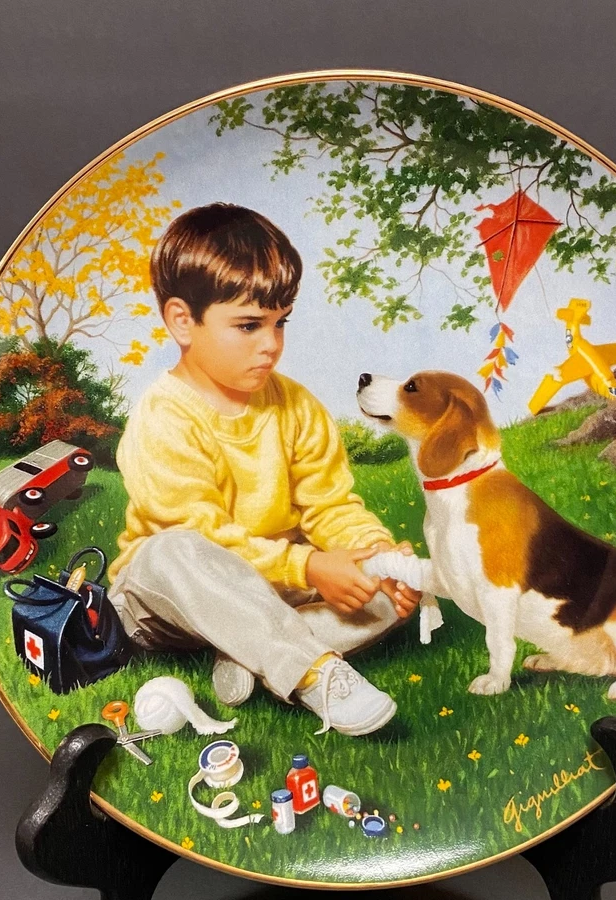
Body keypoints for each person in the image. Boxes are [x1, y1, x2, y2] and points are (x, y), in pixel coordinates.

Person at [107, 202, 420, 736]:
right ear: (182, 321)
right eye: (249, 325)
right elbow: (202, 535)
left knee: (397, 589)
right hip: (171, 603)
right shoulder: (162, 417)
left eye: (280, 323)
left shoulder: (296, 405)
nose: (271, 345)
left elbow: (331, 505)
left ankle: (252, 653)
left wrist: (376, 554)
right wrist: (309, 567)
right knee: (173, 549)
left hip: (275, 589)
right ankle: (313, 671)